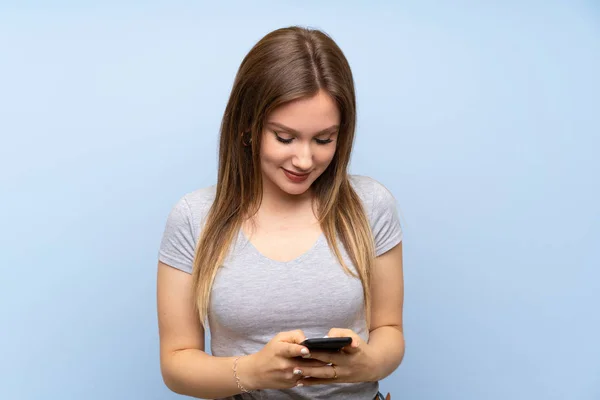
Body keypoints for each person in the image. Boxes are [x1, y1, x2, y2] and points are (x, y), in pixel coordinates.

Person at [156, 26, 404, 400]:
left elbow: (389, 329)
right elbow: (176, 364)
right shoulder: (194, 217)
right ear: (247, 129)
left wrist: (366, 363)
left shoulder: (370, 205)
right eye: (284, 137)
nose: (305, 160)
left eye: (324, 139)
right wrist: (253, 371)